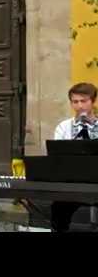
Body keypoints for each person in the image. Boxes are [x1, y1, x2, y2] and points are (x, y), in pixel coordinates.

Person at [51, 82, 98, 232]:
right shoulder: (63, 127)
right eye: (75, 102)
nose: (79, 106)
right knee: (59, 209)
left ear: (93, 101)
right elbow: (57, 155)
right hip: (73, 181)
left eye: (83, 101)